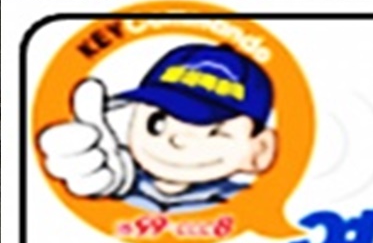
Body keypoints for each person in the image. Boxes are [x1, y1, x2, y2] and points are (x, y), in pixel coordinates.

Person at [36, 43, 278, 213]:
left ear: (260, 150)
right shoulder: (119, 180)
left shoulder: (245, 203)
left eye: (213, 132)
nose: (176, 141)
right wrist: (110, 185)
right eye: (157, 123)